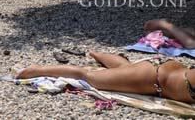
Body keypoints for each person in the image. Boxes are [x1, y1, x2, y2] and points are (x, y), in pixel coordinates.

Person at [15, 51, 195, 104]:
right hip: (152, 78)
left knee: (126, 68)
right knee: (88, 76)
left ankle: (96, 53)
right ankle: (37, 69)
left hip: (163, 70)